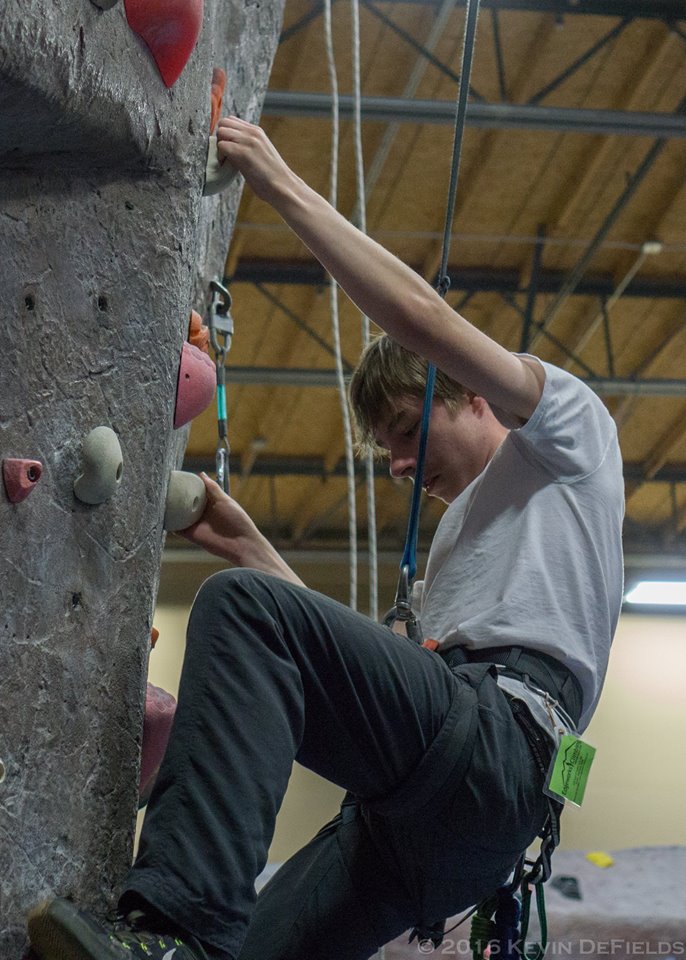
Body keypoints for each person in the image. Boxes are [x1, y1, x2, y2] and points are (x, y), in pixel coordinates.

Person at [27, 118, 624, 960]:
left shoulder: (569, 435)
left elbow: (420, 317)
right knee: (257, 608)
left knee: (246, 614)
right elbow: (356, 682)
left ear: (476, 397)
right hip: (436, 814)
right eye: (386, 452)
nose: (400, 465)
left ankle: (170, 936)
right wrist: (254, 549)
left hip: (497, 755)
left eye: (411, 432)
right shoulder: (466, 543)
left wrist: (278, 184)